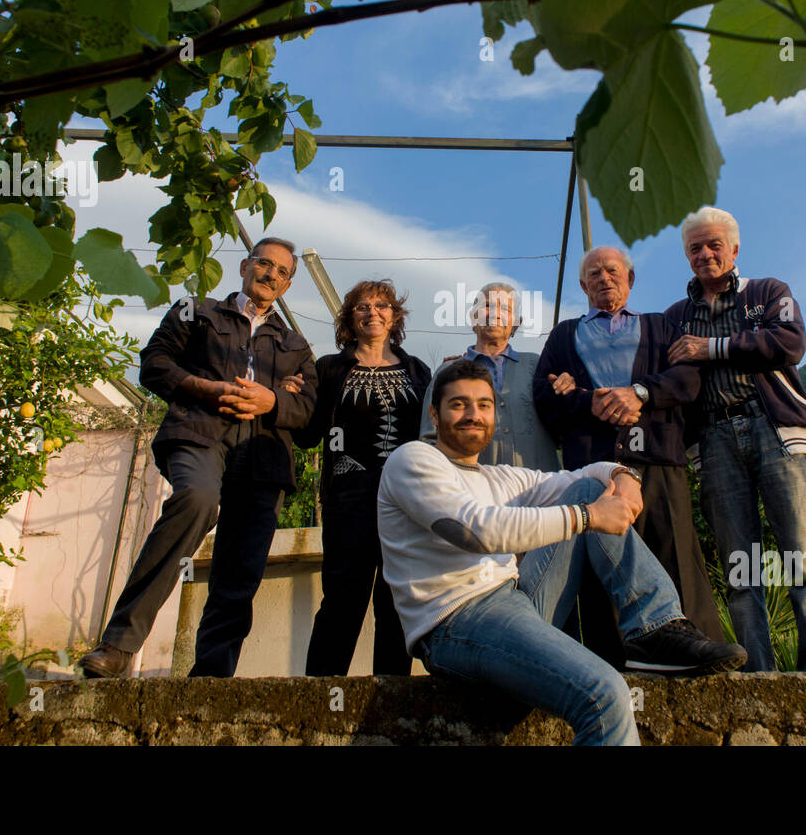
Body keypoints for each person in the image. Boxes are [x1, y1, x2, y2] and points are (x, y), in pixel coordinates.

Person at [378, 360, 746, 746]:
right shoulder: (413, 460)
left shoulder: (498, 477)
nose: (473, 415)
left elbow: (579, 478)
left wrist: (624, 476)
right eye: (459, 405)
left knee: (586, 490)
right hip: (457, 623)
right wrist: (587, 518)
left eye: (484, 405)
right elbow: (475, 530)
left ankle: (653, 630)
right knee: (605, 694)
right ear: (434, 414)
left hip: (516, 602)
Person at [79, 237, 317, 678]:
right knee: (198, 498)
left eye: (283, 272)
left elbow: (308, 414)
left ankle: (210, 676)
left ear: (287, 284)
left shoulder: (296, 344)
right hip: (200, 433)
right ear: (245, 265)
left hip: (263, 456)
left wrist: (273, 403)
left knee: (241, 565)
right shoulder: (197, 311)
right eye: (264, 264)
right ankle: (118, 645)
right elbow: (154, 363)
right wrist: (204, 388)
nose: (271, 275)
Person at [665, 206, 806, 672]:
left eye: (713, 245)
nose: (704, 254)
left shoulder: (766, 292)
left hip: (775, 430)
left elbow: (789, 343)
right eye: (694, 248)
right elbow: (669, 380)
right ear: (686, 256)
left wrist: (712, 349)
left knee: (805, 555)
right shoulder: (676, 316)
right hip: (716, 438)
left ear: (735, 249)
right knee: (741, 567)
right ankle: (758, 674)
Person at [532, 246, 724, 663]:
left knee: (674, 552)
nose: (604, 278)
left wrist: (641, 393)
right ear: (583, 285)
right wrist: (587, 402)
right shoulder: (564, 335)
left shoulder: (661, 326)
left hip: (657, 458)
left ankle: (696, 653)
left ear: (630, 279)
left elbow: (688, 380)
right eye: (594, 273)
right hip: (595, 468)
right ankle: (614, 663)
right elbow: (545, 396)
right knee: (604, 561)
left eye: (613, 271)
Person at [292, 279, 431, 676]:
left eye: (382, 305)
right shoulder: (329, 368)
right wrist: (292, 395)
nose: (373, 313)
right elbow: (307, 434)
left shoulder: (416, 370)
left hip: (405, 503)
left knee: (395, 601)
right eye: (362, 307)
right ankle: (321, 695)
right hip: (347, 500)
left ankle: (389, 699)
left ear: (395, 316)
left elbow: (431, 437)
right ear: (349, 319)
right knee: (342, 597)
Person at [419, 281, 559, 470]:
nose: (495, 313)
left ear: (517, 323)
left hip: (540, 490)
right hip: (471, 492)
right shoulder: (448, 371)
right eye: (487, 306)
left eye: (505, 309)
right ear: (472, 317)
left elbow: (562, 425)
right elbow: (429, 440)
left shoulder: (537, 366)